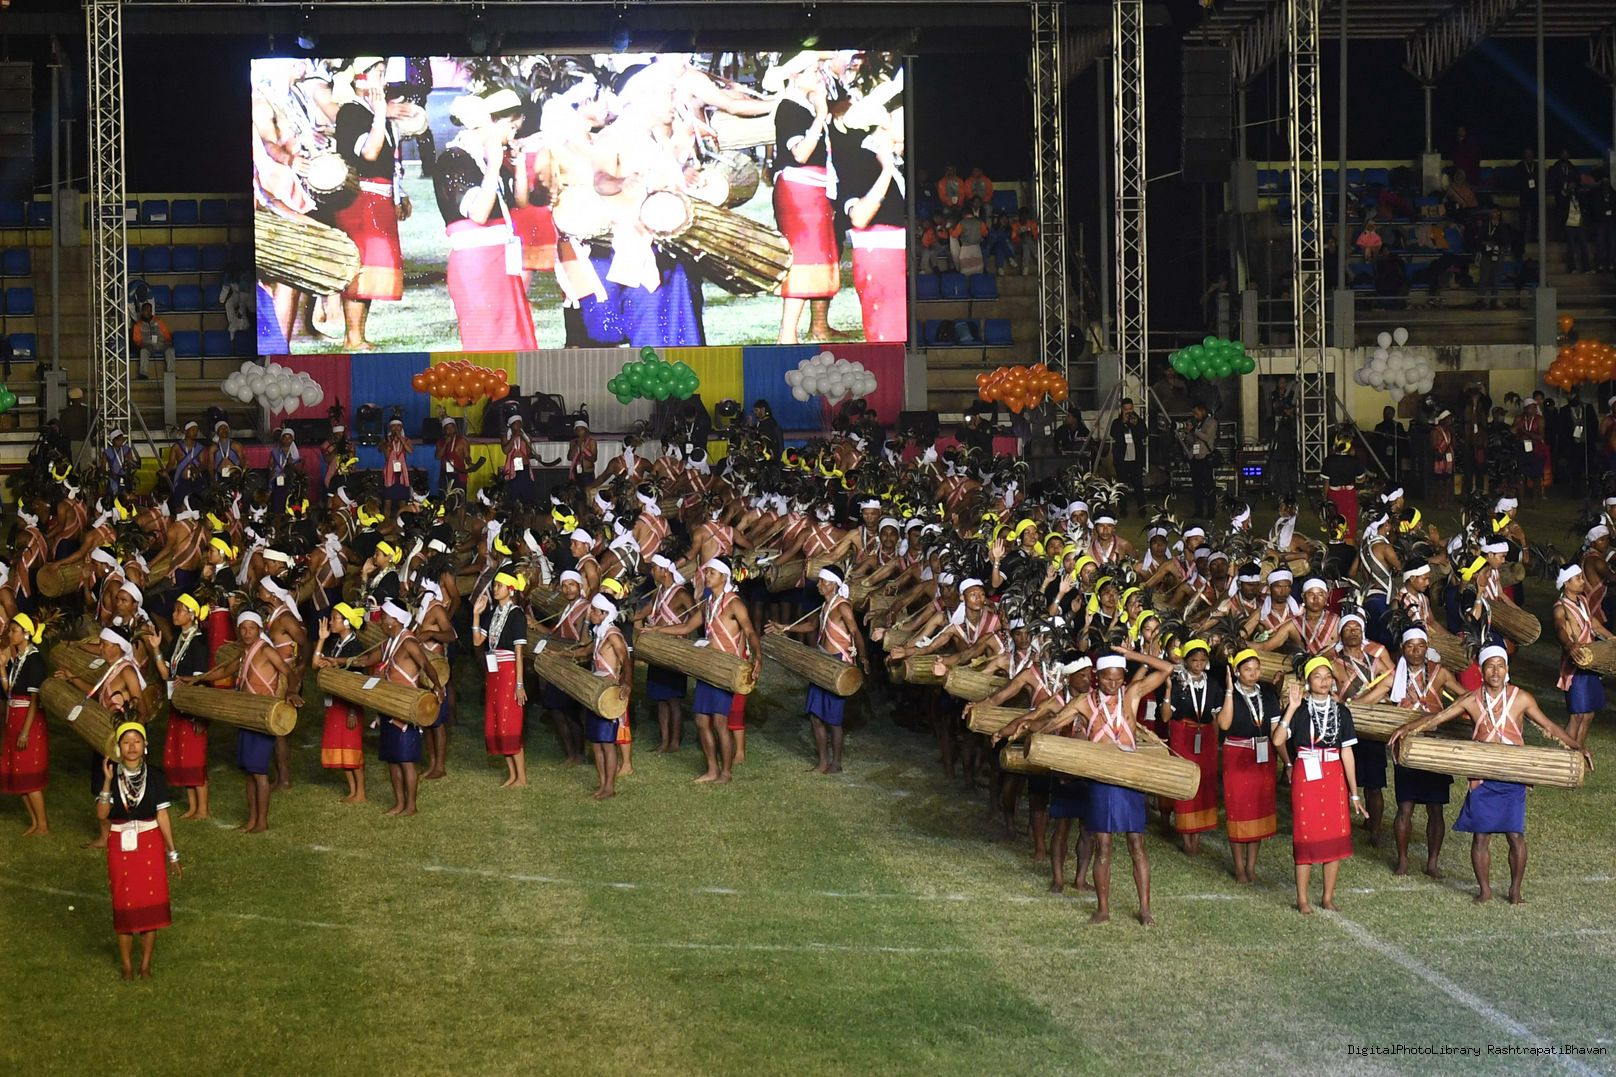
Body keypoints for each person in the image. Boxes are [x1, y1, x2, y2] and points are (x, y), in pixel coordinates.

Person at [432, 88, 538, 351]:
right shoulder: (453, 159)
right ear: (491, 122)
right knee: (488, 340)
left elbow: (521, 202)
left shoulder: (489, 160)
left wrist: (518, 164)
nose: (512, 136)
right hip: (476, 264)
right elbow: (479, 213)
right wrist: (493, 165)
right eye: (511, 128)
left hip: (501, 259)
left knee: (514, 336)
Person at [1354, 627, 1464, 877]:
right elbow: (1367, 701)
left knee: (1436, 808)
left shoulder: (1440, 673)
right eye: (1410, 646)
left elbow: (1466, 697)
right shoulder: (1395, 676)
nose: (1415, 651)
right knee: (1405, 806)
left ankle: (1432, 863)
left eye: (1420, 646)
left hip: (1434, 746)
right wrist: (1344, 705)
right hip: (1406, 748)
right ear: (1403, 649)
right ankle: (1402, 860)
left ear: (1427, 648)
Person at [643, 558, 761, 785]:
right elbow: (688, 626)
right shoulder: (708, 604)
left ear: (724, 577)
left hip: (725, 669)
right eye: (707, 572)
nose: (707, 576)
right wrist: (658, 629)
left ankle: (726, 772)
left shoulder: (734, 603)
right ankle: (712, 769)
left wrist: (759, 657)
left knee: (719, 722)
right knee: (700, 720)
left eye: (712, 573)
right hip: (707, 667)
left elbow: (750, 631)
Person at [183, 611, 296, 834]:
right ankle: (251, 819)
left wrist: (291, 691)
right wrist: (197, 679)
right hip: (246, 715)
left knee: (259, 772)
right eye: (243, 628)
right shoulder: (244, 652)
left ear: (259, 630)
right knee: (249, 772)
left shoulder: (266, 650)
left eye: (251, 628)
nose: (246, 633)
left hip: (262, 715)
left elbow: (288, 671)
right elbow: (225, 670)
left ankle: (262, 822)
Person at [1274, 658, 1367, 914]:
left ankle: (1327, 897)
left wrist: (1354, 793)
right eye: (1318, 676)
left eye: (1328, 676)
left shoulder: (1342, 712)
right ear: (1308, 681)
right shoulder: (1299, 710)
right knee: (1306, 833)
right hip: (1306, 775)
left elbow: (1347, 753)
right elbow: (1278, 740)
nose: (1324, 681)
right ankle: (1302, 899)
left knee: (1334, 836)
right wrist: (1291, 708)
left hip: (1333, 775)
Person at [331, 58, 410, 350]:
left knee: (373, 269)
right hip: (360, 202)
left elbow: (389, 160)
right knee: (360, 268)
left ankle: (358, 335)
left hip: (379, 200)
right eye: (378, 73)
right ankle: (352, 337)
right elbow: (370, 153)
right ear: (360, 78)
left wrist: (400, 194)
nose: (384, 80)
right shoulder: (351, 112)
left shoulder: (373, 111)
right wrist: (380, 115)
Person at [96, 722, 179, 980]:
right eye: (126, 742)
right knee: (124, 902)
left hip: (149, 842)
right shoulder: (110, 774)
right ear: (118, 747)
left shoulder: (156, 776)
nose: (132, 747)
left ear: (145, 745)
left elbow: (162, 815)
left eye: (137, 741)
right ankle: (126, 966)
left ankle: (145, 965)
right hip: (120, 844)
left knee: (150, 904)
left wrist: (172, 853)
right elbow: (102, 814)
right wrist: (107, 782)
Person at [767, 568, 869, 774]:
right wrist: (784, 627)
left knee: (833, 720)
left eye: (823, 582)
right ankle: (822, 762)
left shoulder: (842, 606)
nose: (819, 585)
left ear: (834, 584)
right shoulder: (824, 606)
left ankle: (836, 764)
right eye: (820, 581)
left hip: (837, 664)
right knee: (815, 716)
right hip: (822, 661)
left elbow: (855, 632)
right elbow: (811, 626)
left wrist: (863, 657)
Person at [771, 54, 839, 344]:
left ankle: (811, 328)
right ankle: (787, 334)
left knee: (815, 258)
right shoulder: (789, 107)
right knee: (802, 260)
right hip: (799, 194)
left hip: (816, 192)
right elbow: (800, 153)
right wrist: (821, 114)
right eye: (814, 71)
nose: (820, 76)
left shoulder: (805, 105)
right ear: (795, 75)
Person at [1217, 649, 1281, 884]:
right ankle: (1239, 867)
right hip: (1237, 756)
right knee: (1238, 810)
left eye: (1256, 669)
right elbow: (1224, 724)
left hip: (1262, 758)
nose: (1253, 674)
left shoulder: (1268, 694)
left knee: (1258, 811)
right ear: (1236, 672)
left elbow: (1275, 731)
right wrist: (1229, 690)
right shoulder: (1228, 694)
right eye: (1247, 669)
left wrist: (1288, 761)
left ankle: (1251, 866)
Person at [149, 595, 212, 820]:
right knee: (182, 756)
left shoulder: (199, 642)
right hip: (178, 705)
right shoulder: (178, 638)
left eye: (178, 610)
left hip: (193, 709)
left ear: (192, 614)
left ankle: (203, 808)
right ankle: (193, 806)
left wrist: (200, 715)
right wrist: (156, 649)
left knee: (195, 758)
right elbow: (166, 674)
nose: (174, 614)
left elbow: (200, 680)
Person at [1161, 639, 1220, 856]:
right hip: (1183, 736)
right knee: (1186, 782)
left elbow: (1215, 717)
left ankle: (1198, 835)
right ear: (1186, 661)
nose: (1199, 664)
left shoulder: (1212, 685)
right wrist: (1168, 691)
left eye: (1203, 660)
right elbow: (1166, 716)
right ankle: (1186, 836)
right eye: (1194, 660)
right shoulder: (1178, 683)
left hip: (1205, 737)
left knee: (1204, 784)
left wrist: (1216, 742)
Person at [472, 569, 530, 789]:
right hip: (494, 672)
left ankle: (521, 777)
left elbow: (519, 653)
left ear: (511, 589)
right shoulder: (493, 613)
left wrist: (519, 684)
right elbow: (477, 641)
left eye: (499, 586)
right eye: (495, 585)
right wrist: (476, 614)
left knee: (509, 722)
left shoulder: (516, 615)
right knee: (497, 721)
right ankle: (512, 775)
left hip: (509, 673)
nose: (495, 589)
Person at [311, 603, 368, 803]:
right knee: (341, 747)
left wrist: (352, 711)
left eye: (335, 618)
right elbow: (315, 664)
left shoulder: (355, 647)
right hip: (335, 703)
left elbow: (357, 682)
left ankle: (361, 792)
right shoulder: (335, 643)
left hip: (349, 705)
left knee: (352, 748)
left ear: (346, 622)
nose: (331, 622)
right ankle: (352, 791)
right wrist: (321, 639)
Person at [0, 612, 48, 836]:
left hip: (28, 722)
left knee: (29, 774)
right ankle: (35, 822)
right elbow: (9, 691)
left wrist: (26, 732)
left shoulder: (34, 660)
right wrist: (2, 668)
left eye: (14, 631)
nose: (10, 634)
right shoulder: (19, 658)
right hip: (15, 719)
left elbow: (35, 700)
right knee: (18, 773)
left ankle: (43, 825)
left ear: (26, 634)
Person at [1553, 564, 1610, 750]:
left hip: (1590, 662)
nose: (1582, 581)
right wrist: (1569, 645)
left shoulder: (1582, 601)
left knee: (1588, 714)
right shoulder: (1560, 607)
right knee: (1577, 715)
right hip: (1575, 664)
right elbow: (1560, 628)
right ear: (1566, 583)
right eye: (1577, 578)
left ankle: (1578, 751)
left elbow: (1593, 624)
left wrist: (1612, 639)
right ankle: (1566, 757)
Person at [1184, 403, 1219, 518]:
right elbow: (1191, 441)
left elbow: (1207, 437)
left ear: (1203, 411)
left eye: (1196, 413)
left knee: (1208, 486)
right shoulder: (1197, 423)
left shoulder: (1212, 422)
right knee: (1197, 486)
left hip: (1205, 457)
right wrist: (1188, 433)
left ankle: (1211, 511)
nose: (1195, 415)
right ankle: (1198, 511)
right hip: (1195, 457)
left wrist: (1194, 430)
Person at [1110, 399, 1145, 513]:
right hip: (1122, 459)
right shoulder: (1117, 422)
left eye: (1130, 409)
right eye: (1126, 410)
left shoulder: (1138, 421)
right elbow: (1113, 434)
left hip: (1136, 459)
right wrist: (1123, 423)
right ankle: (1123, 509)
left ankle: (1142, 509)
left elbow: (1144, 434)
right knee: (1122, 485)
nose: (1129, 412)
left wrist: (1135, 424)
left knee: (1138, 485)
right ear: (1122, 409)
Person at [130, 302, 173, 380]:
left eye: (150, 310)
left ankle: (171, 374)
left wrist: (167, 341)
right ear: (142, 312)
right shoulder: (138, 325)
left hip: (160, 344)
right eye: (146, 310)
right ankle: (143, 374)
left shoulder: (159, 321)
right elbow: (137, 340)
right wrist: (143, 344)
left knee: (170, 350)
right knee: (143, 351)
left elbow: (166, 334)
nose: (148, 312)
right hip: (147, 346)